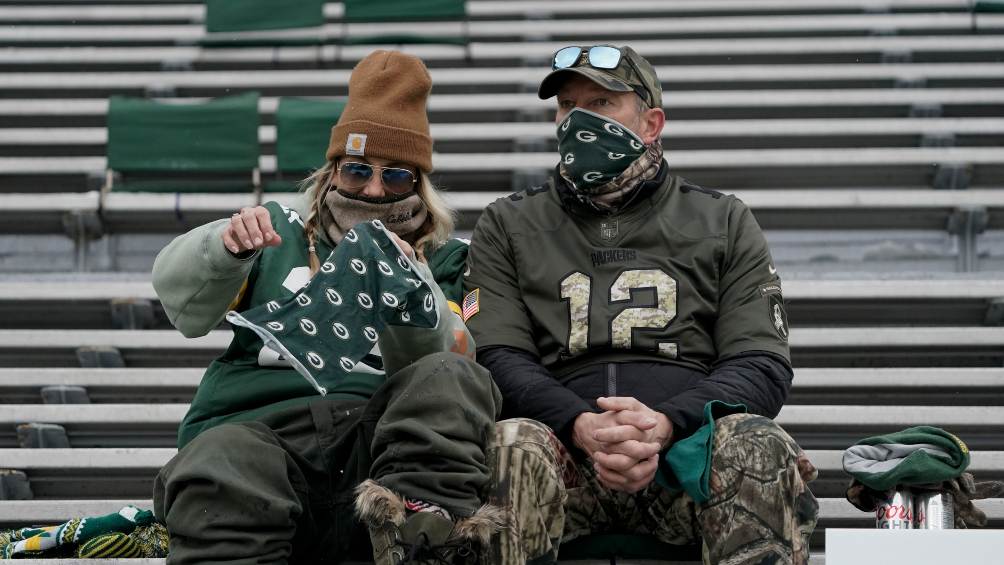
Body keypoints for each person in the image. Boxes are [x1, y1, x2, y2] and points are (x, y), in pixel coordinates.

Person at [464, 45, 820, 564]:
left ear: (651, 123)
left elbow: (761, 363)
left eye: (602, 104)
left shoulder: (721, 218)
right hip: (562, 459)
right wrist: (581, 425)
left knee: (755, 442)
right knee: (508, 445)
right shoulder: (507, 223)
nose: (578, 119)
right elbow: (495, 356)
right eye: (567, 105)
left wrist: (666, 424)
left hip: (685, 461)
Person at [151, 50, 506, 565]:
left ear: (420, 184)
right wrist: (226, 247)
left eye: (397, 177)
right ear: (333, 169)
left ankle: (422, 533)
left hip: (380, 442)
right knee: (226, 457)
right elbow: (180, 302)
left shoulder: (449, 259)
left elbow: (456, 361)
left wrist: (412, 286)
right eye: (358, 170)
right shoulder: (279, 229)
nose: (375, 189)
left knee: (452, 378)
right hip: (263, 431)